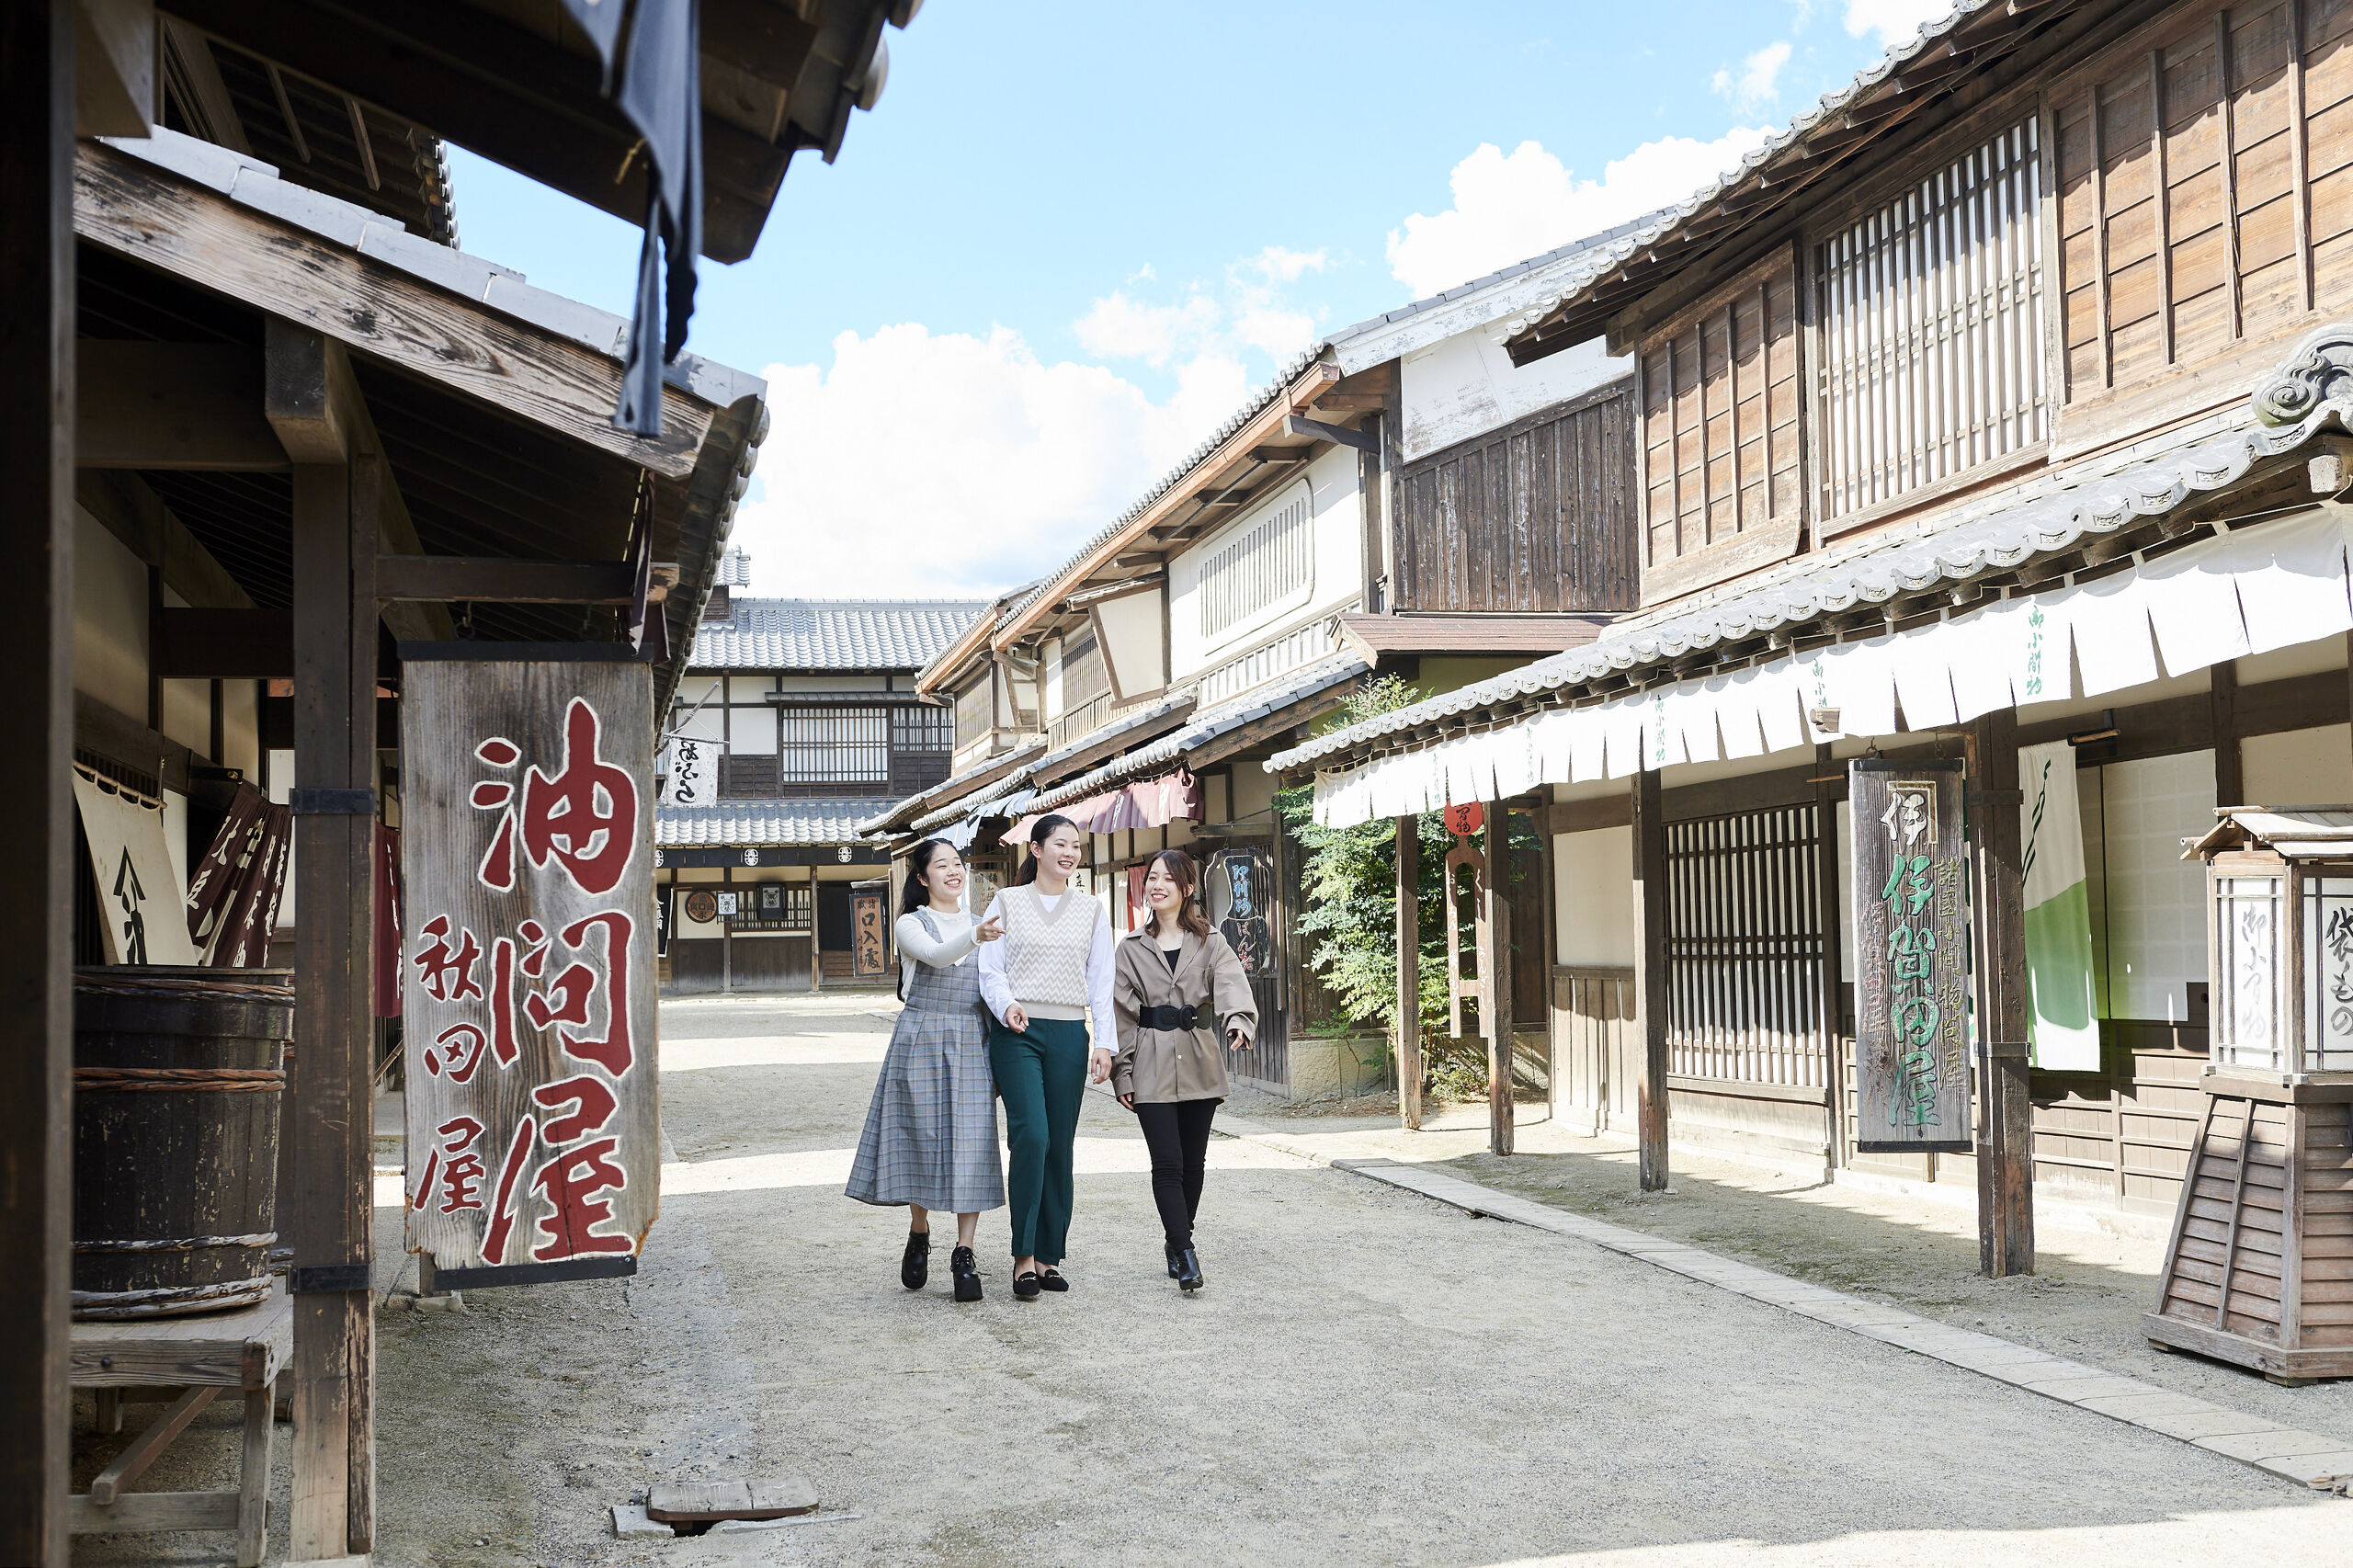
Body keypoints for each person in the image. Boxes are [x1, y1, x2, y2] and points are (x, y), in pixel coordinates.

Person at [845, 838, 1006, 1303]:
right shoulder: (910, 924)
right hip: (921, 1037)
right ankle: (919, 1231)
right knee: (921, 1137)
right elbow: (937, 956)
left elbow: (997, 983)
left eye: (958, 863)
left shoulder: (983, 923)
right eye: (942, 865)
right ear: (922, 877)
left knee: (972, 1141)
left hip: (972, 1036)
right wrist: (976, 936)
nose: (954, 871)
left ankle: (964, 1251)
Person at [976, 813, 1115, 1301]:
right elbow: (990, 970)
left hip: (1070, 1035)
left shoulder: (1092, 910)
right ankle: (1022, 1257)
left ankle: (1048, 1256)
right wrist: (1006, 1004)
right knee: (1032, 1136)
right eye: (1060, 844)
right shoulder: (1007, 903)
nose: (1070, 853)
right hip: (1018, 1032)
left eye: (1076, 845)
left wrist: (1104, 1043)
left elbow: (1101, 981)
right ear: (1036, 849)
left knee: (1060, 1144)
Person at [1112, 849, 1255, 1292]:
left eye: (1167, 879)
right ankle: (1186, 1251)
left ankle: (1176, 1240)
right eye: (1152, 878)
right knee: (1167, 1162)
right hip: (1150, 1063)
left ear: (1187, 888)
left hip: (1199, 1059)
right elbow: (1121, 1015)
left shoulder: (1211, 941)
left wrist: (1238, 1020)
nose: (1157, 886)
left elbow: (1231, 983)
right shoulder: (1130, 949)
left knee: (1193, 1164)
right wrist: (1122, 1072)